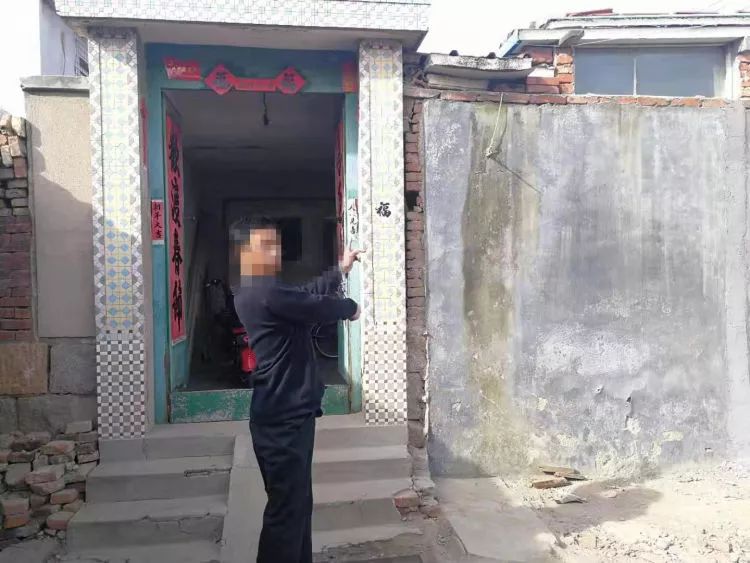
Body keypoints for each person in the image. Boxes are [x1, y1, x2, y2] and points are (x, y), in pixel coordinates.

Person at [232, 218, 361, 563]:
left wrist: (340, 269)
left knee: (297, 505)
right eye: (264, 245)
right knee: (287, 513)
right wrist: (350, 308)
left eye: (275, 244)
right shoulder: (265, 292)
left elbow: (304, 296)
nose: (274, 252)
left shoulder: (260, 290)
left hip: (287, 413)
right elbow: (315, 306)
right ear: (244, 252)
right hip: (283, 417)